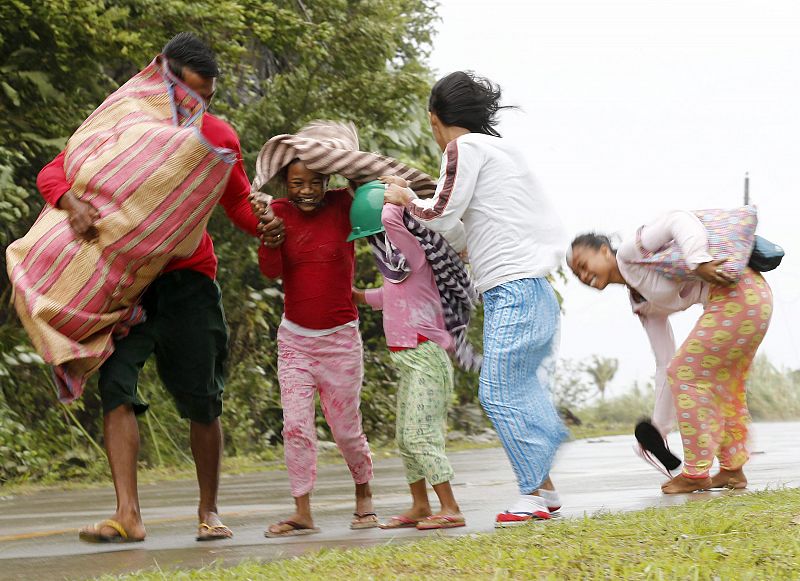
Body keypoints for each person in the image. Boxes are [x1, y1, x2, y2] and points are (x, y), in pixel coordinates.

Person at [36, 32, 258, 543]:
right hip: (123, 287)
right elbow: (56, 170)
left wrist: (266, 224)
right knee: (116, 387)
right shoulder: (118, 125)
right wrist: (72, 205)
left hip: (188, 283)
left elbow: (240, 206)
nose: (194, 106)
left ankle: (209, 511)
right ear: (160, 74)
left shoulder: (217, 137)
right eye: (187, 93)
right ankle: (127, 515)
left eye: (205, 97)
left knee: (203, 399)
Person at [383, 72, 568, 526]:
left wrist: (405, 197)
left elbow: (440, 210)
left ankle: (530, 491)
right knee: (519, 386)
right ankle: (545, 488)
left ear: (434, 118)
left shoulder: (462, 148)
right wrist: (463, 242)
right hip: (535, 290)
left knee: (497, 390)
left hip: (512, 289)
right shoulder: (502, 151)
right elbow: (468, 224)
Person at [568, 209, 773, 493]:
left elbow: (678, 219)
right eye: (576, 274)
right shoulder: (641, 303)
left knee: (686, 373)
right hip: (745, 300)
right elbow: (664, 363)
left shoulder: (631, 251)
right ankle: (732, 470)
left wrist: (698, 260)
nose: (582, 274)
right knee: (722, 386)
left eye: (582, 263)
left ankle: (696, 473)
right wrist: (658, 429)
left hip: (741, 293)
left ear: (604, 251)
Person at [254, 122, 377, 538]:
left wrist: (342, 157)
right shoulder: (279, 214)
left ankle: (364, 495)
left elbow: (368, 185)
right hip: (295, 342)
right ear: (285, 184)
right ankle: (302, 510)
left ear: (328, 180)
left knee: (345, 430)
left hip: (341, 340)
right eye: (296, 182)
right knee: (296, 427)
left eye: (314, 181)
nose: (305, 190)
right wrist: (269, 241)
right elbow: (271, 272)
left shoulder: (346, 205)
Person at [351, 180, 466, 531]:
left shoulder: (415, 254)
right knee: (405, 438)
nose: (376, 243)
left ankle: (450, 507)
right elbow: (388, 298)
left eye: (377, 236)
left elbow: (394, 221)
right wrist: (354, 295)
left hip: (427, 357)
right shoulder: (397, 270)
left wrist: (396, 196)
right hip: (408, 360)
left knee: (420, 436)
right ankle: (420, 504)